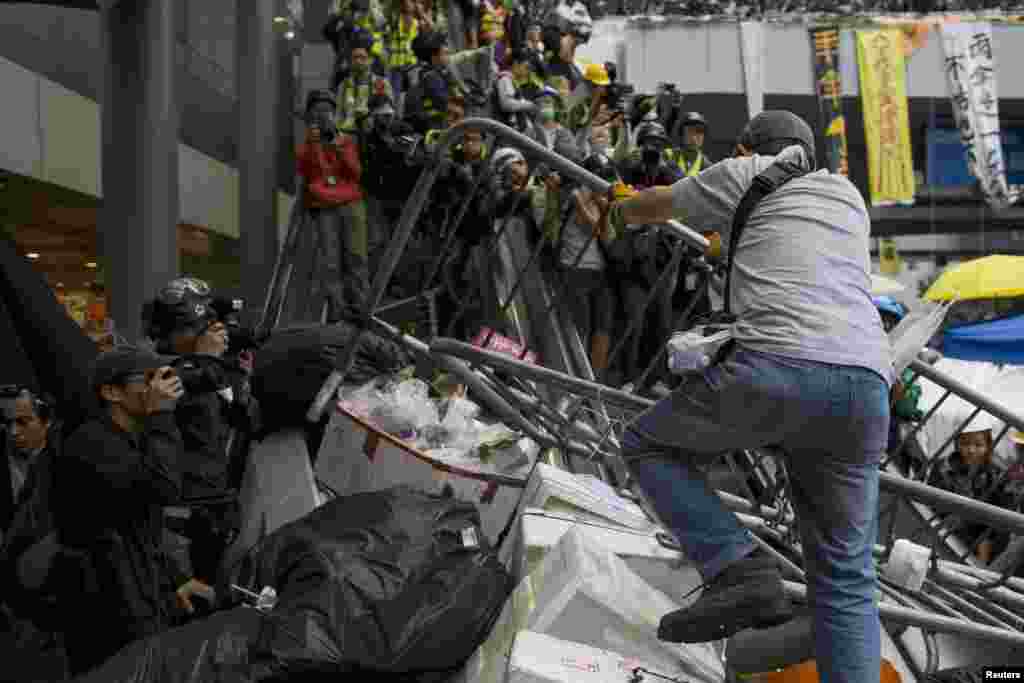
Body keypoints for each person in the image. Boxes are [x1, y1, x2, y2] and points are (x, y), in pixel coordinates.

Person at [606, 110, 892, 683]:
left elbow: (659, 206)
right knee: (844, 581)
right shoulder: (846, 197)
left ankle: (736, 567)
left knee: (647, 444)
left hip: (779, 367)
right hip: (866, 384)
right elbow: (792, 252)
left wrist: (620, 206)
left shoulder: (745, 172)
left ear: (745, 149)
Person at [52, 348, 214, 675]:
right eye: (149, 379)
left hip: (134, 595)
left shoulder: (130, 437)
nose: (160, 387)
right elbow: (163, 489)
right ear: (111, 392)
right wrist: (162, 417)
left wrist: (175, 581)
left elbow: (136, 525)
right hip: (107, 611)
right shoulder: (92, 443)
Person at [298, 89, 371, 322]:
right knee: (330, 263)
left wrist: (337, 142)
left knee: (356, 257)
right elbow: (309, 172)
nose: (323, 116)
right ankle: (338, 311)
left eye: (327, 111)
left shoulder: (346, 140)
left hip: (351, 203)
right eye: (317, 112)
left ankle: (360, 309)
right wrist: (315, 143)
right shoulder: (307, 145)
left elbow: (356, 172)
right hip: (323, 205)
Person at [665, 111, 711, 177]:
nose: (694, 137)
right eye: (690, 131)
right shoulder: (668, 155)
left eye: (699, 132)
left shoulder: (707, 166)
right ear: (681, 134)